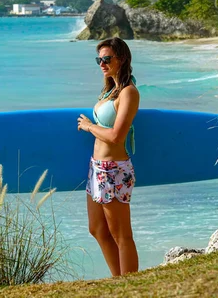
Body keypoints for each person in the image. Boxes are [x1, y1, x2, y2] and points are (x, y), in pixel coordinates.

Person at [77, 37, 139, 276]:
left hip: (114, 170)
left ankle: (130, 284)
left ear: (121, 59)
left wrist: (89, 126)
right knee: (97, 229)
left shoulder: (128, 93)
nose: (102, 64)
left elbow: (116, 136)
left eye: (106, 59)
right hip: (97, 168)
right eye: (99, 60)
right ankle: (118, 279)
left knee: (121, 234)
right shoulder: (110, 91)